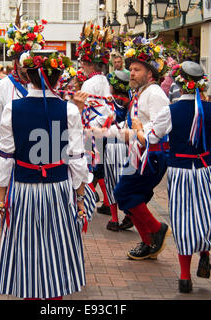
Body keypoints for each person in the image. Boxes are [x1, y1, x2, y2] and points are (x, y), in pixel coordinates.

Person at [0, 49, 94, 300]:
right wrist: (80, 199)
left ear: (27, 75)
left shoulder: (12, 108)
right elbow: (77, 159)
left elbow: (5, 157)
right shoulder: (69, 110)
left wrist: (1, 197)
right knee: (57, 249)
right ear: (59, 76)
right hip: (58, 188)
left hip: (24, 188)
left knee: (27, 250)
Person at [131, 61, 211, 293]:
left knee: (183, 218)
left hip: (179, 172)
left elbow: (153, 137)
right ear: (201, 84)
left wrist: (138, 129)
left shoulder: (170, 111)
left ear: (178, 83)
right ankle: (204, 253)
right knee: (209, 213)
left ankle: (185, 277)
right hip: (206, 170)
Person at [107, 36, 171, 260]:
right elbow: (133, 123)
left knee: (122, 192)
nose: (131, 73)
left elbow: (161, 125)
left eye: (136, 70)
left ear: (150, 73)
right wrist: (113, 129)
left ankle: (156, 230)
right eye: (131, 69)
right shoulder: (140, 93)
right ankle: (148, 243)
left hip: (152, 154)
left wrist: (138, 133)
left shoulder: (155, 94)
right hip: (140, 154)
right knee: (135, 196)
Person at [0, 17, 47, 170]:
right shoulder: (2, 87)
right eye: (26, 63)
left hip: (41, 152)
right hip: (13, 154)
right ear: (17, 62)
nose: (31, 68)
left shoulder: (44, 85)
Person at [76, 21, 114, 215]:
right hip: (101, 129)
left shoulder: (89, 84)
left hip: (92, 130)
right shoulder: (102, 80)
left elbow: (87, 109)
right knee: (97, 168)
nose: (81, 65)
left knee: (89, 166)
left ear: (91, 64)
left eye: (84, 62)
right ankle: (107, 203)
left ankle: (88, 202)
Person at [104, 69, 133, 231]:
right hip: (127, 145)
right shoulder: (131, 102)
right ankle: (130, 214)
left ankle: (115, 219)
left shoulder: (109, 104)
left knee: (111, 181)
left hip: (113, 144)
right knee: (125, 179)